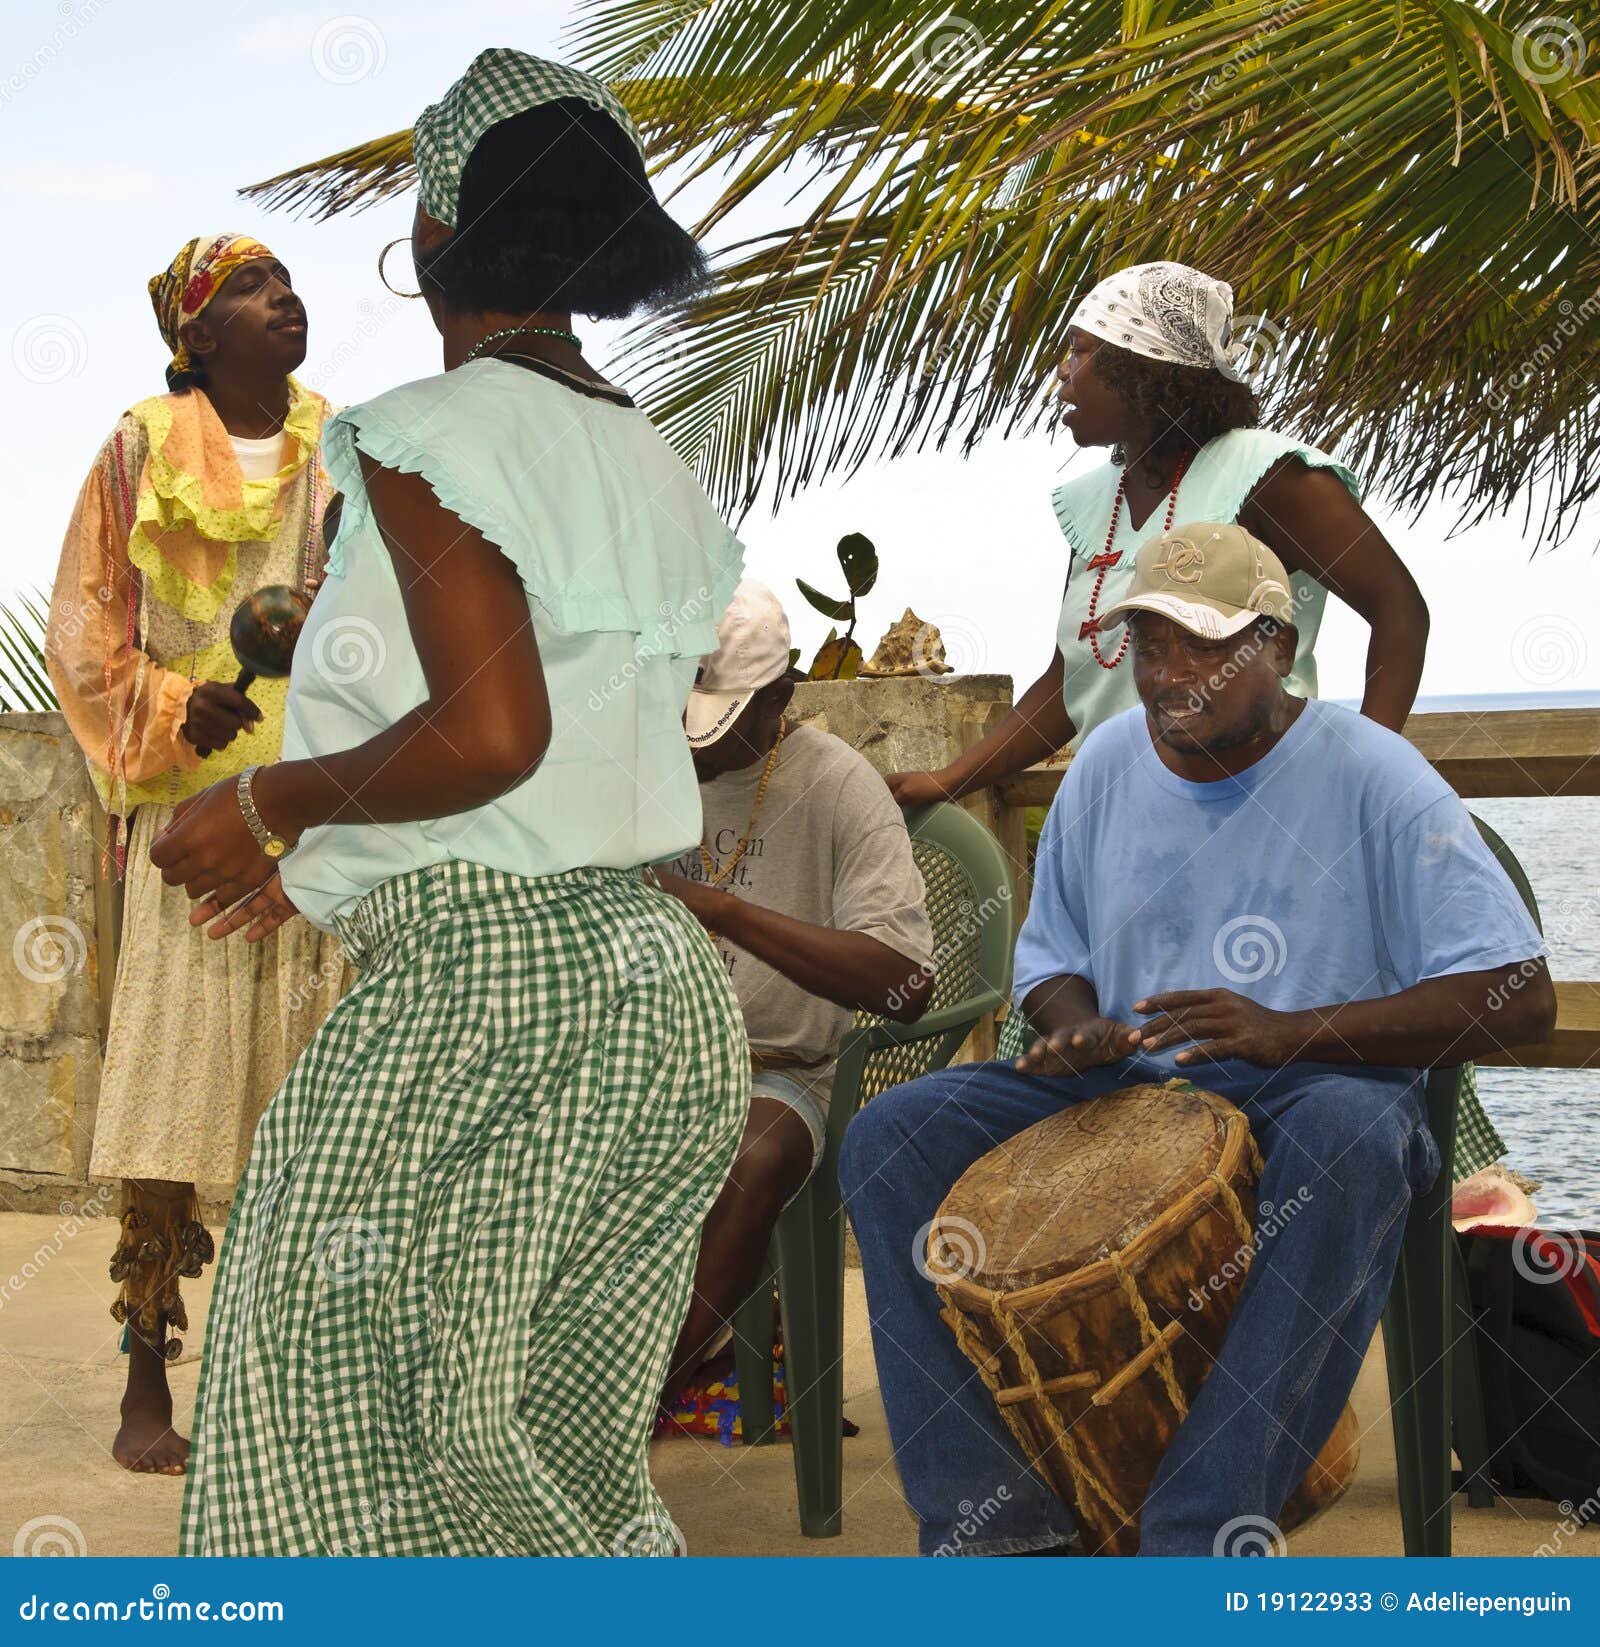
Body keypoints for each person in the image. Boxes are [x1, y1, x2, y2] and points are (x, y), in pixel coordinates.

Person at [154, 50, 749, 1556]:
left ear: (436, 234)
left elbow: (492, 732)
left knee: (316, 1427)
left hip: (494, 994)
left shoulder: (431, 434)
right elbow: (579, 743)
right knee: (548, 1461)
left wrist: (277, 802)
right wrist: (351, 853)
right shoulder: (658, 463)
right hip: (653, 998)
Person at [841, 522, 1554, 1556]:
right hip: (1129, 1079)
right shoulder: (1106, 766)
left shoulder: (1373, 775)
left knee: (1357, 1141)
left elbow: (1521, 996)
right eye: (1150, 645)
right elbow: (1049, 962)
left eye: (1208, 646)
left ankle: (1198, 1535)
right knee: (891, 1138)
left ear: (1278, 642)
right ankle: (999, 1536)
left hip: (1312, 1086)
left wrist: (1288, 1031)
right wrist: (1077, 1027)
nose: (1174, 675)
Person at [885, 260, 1504, 1183]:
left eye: (1080, 352)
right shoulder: (1096, 502)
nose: (1059, 373)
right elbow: (1072, 677)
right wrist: (951, 778)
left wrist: (1362, 770)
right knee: (1084, 1098)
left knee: (1283, 1091)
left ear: (1146, 367)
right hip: (1121, 828)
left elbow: (1398, 610)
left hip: (1255, 815)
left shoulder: (1264, 473)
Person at [44, 233, 344, 1476]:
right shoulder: (133, 453)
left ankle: (298, 1387)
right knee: (175, 1097)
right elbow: (84, 638)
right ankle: (144, 1382)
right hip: (192, 825)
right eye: (253, 290)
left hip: (325, 811)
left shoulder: (353, 453)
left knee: (318, 1104)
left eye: (288, 283)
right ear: (196, 334)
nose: (287, 300)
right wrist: (176, 705)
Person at [651, 582, 935, 1420]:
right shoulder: (646, 766)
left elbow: (905, 983)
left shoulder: (841, 786)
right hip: (642, 1061)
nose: (695, 740)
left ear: (783, 693)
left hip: (782, 1072)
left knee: (749, 1157)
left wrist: (726, 910)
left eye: (724, 716)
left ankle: (613, 1409)